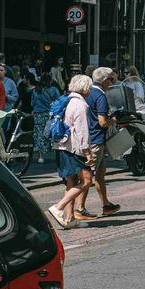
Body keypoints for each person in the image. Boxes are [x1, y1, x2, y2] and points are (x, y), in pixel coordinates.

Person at [48, 75, 96, 230]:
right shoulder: (81, 105)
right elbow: (83, 131)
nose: (90, 89)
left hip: (62, 145)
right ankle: (58, 207)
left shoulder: (66, 99)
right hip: (74, 148)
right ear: (85, 88)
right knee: (87, 180)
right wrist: (87, 152)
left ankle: (70, 219)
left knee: (71, 182)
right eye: (89, 87)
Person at [77, 67, 120, 220]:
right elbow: (102, 122)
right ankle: (79, 208)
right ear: (104, 80)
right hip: (95, 139)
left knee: (100, 173)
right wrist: (112, 121)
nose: (112, 82)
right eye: (111, 79)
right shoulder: (100, 95)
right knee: (88, 176)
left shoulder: (86, 92)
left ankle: (106, 204)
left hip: (87, 137)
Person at [33, 77, 62, 162]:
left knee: (39, 134)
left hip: (38, 114)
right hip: (50, 114)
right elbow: (58, 101)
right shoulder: (53, 89)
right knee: (52, 133)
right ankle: (54, 152)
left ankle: (41, 156)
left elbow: (33, 102)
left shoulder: (36, 90)